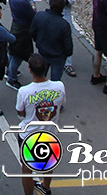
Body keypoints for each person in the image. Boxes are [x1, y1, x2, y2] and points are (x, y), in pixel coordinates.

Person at [15, 53, 66, 195]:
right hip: (49, 133)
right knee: (49, 161)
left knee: (27, 168)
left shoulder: (24, 91)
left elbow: (20, 112)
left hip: (29, 135)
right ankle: (46, 187)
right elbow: (61, 105)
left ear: (30, 69)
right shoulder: (59, 86)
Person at [31, 0, 74, 82]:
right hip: (58, 57)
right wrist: (65, 54)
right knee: (55, 81)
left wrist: (38, 41)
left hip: (42, 52)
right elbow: (68, 46)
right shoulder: (64, 25)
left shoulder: (39, 16)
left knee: (40, 78)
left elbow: (32, 32)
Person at [6, 0, 36, 88]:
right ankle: (12, 78)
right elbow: (32, 14)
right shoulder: (22, 2)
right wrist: (32, 5)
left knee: (13, 51)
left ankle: (9, 71)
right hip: (23, 29)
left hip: (16, 25)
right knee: (18, 55)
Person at [53, 0, 79, 76]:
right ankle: (67, 63)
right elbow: (70, 0)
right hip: (65, 12)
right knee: (67, 35)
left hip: (58, 11)